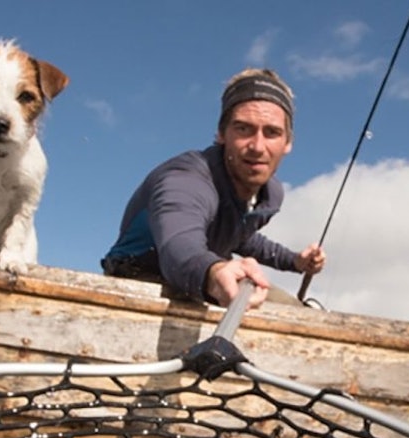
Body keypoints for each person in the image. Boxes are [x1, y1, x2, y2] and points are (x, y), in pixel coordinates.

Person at [101, 68, 325, 309]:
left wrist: (295, 261)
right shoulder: (186, 180)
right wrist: (215, 273)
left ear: (288, 142)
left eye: (272, 132)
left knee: (298, 311)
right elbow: (180, 243)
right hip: (142, 276)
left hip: (208, 273)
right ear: (221, 134)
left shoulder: (269, 194)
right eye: (243, 129)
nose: (258, 147)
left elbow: (241, 237)